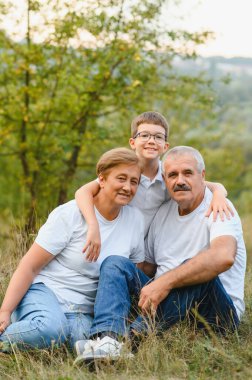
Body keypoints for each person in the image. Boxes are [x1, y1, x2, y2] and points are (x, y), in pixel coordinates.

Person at [75, 146, 246, 362]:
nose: (180, 180)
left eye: (187, 173)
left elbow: (223, 256)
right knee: (116, 263)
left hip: (216, 314)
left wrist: (165, 282)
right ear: (164, 179)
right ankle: (107, 338)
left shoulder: (219, 207)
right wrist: (115, 283)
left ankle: (128, 341)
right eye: (172, 175)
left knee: (194, 267)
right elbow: (146, 267)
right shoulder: (164, 212)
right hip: (168, 305)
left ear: (202, 176)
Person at [0, 148, 145, 352]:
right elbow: (29, 267)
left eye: (134, 181)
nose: (127, 187)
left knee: (86, 345)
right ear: (101, 180)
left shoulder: (135, 220)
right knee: (50, 330)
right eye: (121, 178)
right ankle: (14, 331)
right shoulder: (70, 214)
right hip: (46, 292)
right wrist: (5, 311)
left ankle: (41, 333)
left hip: (83, 311)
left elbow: (128, 275)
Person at [75, 111, 233, 262]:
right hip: (118, 241)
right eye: (144, 135)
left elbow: (203, 184)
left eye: (158, 137)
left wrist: (218, 192)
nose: (151, 141)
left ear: (165, 146)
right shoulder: (124, 174)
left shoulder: (170, 175)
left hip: (151, 250)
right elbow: (83, 192)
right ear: (132, 142)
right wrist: (93, 225)